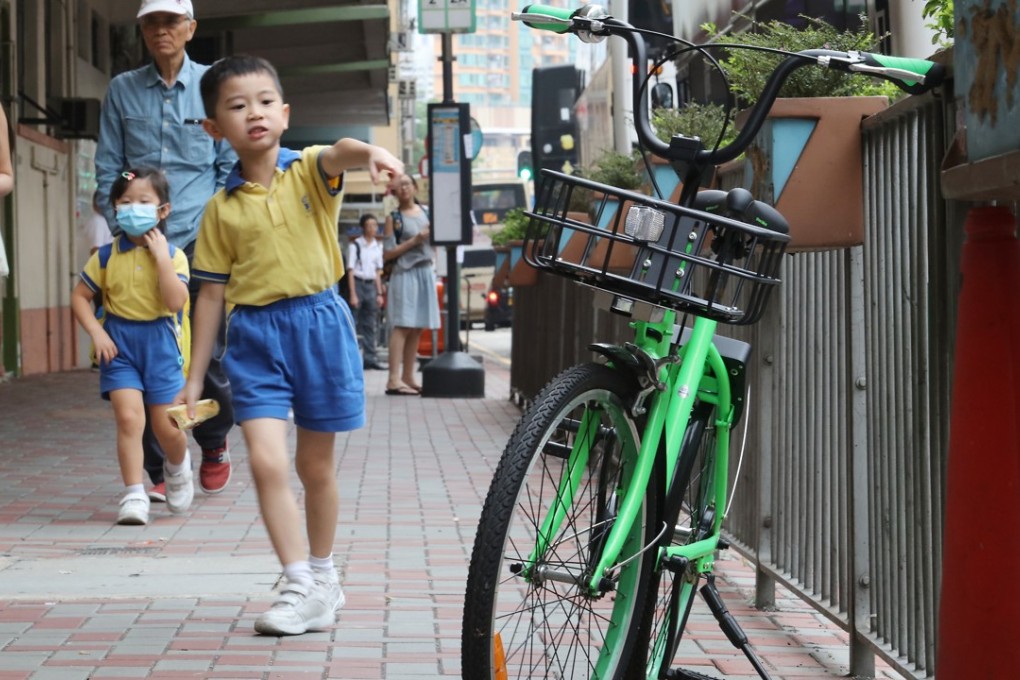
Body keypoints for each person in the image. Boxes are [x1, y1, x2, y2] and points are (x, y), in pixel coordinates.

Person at [178, 55, 402, 635]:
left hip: (321, 324)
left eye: (263, 101)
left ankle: (324, 576)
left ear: (283, 112)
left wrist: (375, 153)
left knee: (314, 466)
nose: (252, 112)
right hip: (254, 337)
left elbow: (342, 149)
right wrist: (195, 376)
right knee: (267, 460)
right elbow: (208, 298)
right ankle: (298, 582)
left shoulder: (308, 171)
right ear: (212, 128)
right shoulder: (219, 210)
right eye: (235, 105)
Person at [95, 0, 237, 502]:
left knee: (204, 351)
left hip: (198, 243)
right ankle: (158, 465)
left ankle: (214, 441)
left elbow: (227, 166)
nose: (161, 30)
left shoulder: (212, 87)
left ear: (190, 28)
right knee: (140, 344)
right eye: (151, 22)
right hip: (135, 245)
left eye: (170, 21)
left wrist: (220, 226)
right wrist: (124, 232)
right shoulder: (122, 90)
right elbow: (108, 165)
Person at [70, 167, 194, 526]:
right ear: (114, 208)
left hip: (161, 345)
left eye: (144, 201)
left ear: (163, 210)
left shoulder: (175, 255)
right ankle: (134, 493)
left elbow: (175, 302)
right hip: (119, 346)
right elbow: (80, 297)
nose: (133, 208)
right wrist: (97, 332)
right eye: (125, 202)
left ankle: (177, 466)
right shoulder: (106, 256)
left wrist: (160, 260)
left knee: (166, 428)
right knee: (128, 419)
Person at [382, 174, 439, 396]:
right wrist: (415, 240)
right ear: (394, 192)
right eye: (399, 186)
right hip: (404, 273)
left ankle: (408, 375)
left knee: (417, 326)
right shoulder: (393, 218)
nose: (404, 188)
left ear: (415, 187)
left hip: (425, 271)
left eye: (407, 184)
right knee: (402, 324)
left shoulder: (428, 213)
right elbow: (387, 253)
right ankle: (393, 379)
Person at [347, 214, 386, 370]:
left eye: (375, 225)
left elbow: (378, 272)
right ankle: (351, 358)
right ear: (363, 227)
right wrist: (353, 294)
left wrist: (379, 293)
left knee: (370, 324)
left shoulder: (378, 246)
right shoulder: (355, 245)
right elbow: (350, 271)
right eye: (369, 225)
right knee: (353, 323)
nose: (372, 228)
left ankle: (370, 358)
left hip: (371, 286)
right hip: (357, 283)